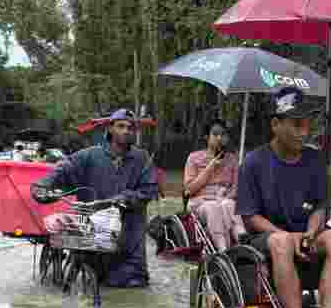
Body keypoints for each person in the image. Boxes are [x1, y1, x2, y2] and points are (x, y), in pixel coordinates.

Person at [236, 88, 331, 308]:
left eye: (306, 125)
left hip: (307, 232)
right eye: (296, 125)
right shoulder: (253, 163)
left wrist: (311, 229)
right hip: (267, 237)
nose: (303, 132)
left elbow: (320, 205)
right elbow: (250, 217)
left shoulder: (315, 160)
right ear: (276, 124)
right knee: (281, 243)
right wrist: (284, 235)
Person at [31, 108, 159, 288]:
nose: (126, 131)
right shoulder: (88, 155)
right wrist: (43, 185)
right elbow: (63, 170)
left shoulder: (142, 159)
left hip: (129, 241)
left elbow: (149, 190)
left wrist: (120, 199)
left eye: (130, 127)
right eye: (121, 126)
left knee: (131, 287)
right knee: (88, 278)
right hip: (91, 235)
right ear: (110, 129)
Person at [183, 119, 245, 251]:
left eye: (223, 134)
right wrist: (210, 167)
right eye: (215, 134)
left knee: (229, 205)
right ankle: (222, 248)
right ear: (207, 137)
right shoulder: (194, 158)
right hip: (200, 202)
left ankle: (241, 241)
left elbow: (236, 188)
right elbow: (189, 190)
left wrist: (225, 197)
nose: (219, 138)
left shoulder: (232, 159)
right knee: (213, 207)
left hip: (225, 200)